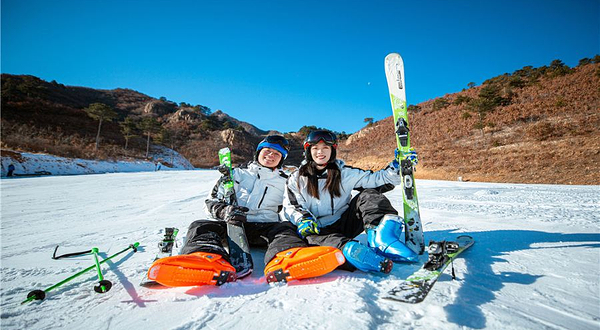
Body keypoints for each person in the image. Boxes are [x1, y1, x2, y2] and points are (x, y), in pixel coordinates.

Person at [147, 135, 344, 287]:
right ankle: (205, 260)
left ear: (281, 159)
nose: (270, 156)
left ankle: (286, 259)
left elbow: (294, 204)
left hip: (264, 227)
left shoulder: (286, 180)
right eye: (267, 151)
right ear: (258, 152)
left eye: (276, 154)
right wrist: (225, 211)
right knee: (200, 226)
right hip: (232, 225)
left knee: (285, 229)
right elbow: (211, 201)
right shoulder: (235, 174)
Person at [282, 130, 419, 275]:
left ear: (332, 150)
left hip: (344, 223)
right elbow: (292, 205)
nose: (320, 152)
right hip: (316, 228)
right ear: (308, 151)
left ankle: (381, 238)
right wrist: (303, 219)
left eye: (325, 148)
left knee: (369, 194)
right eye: (315, 148)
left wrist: (397, 167)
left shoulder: (345, 173)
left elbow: (376, 180)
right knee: (317, 241)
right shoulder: (297, 177)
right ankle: (357, 253)